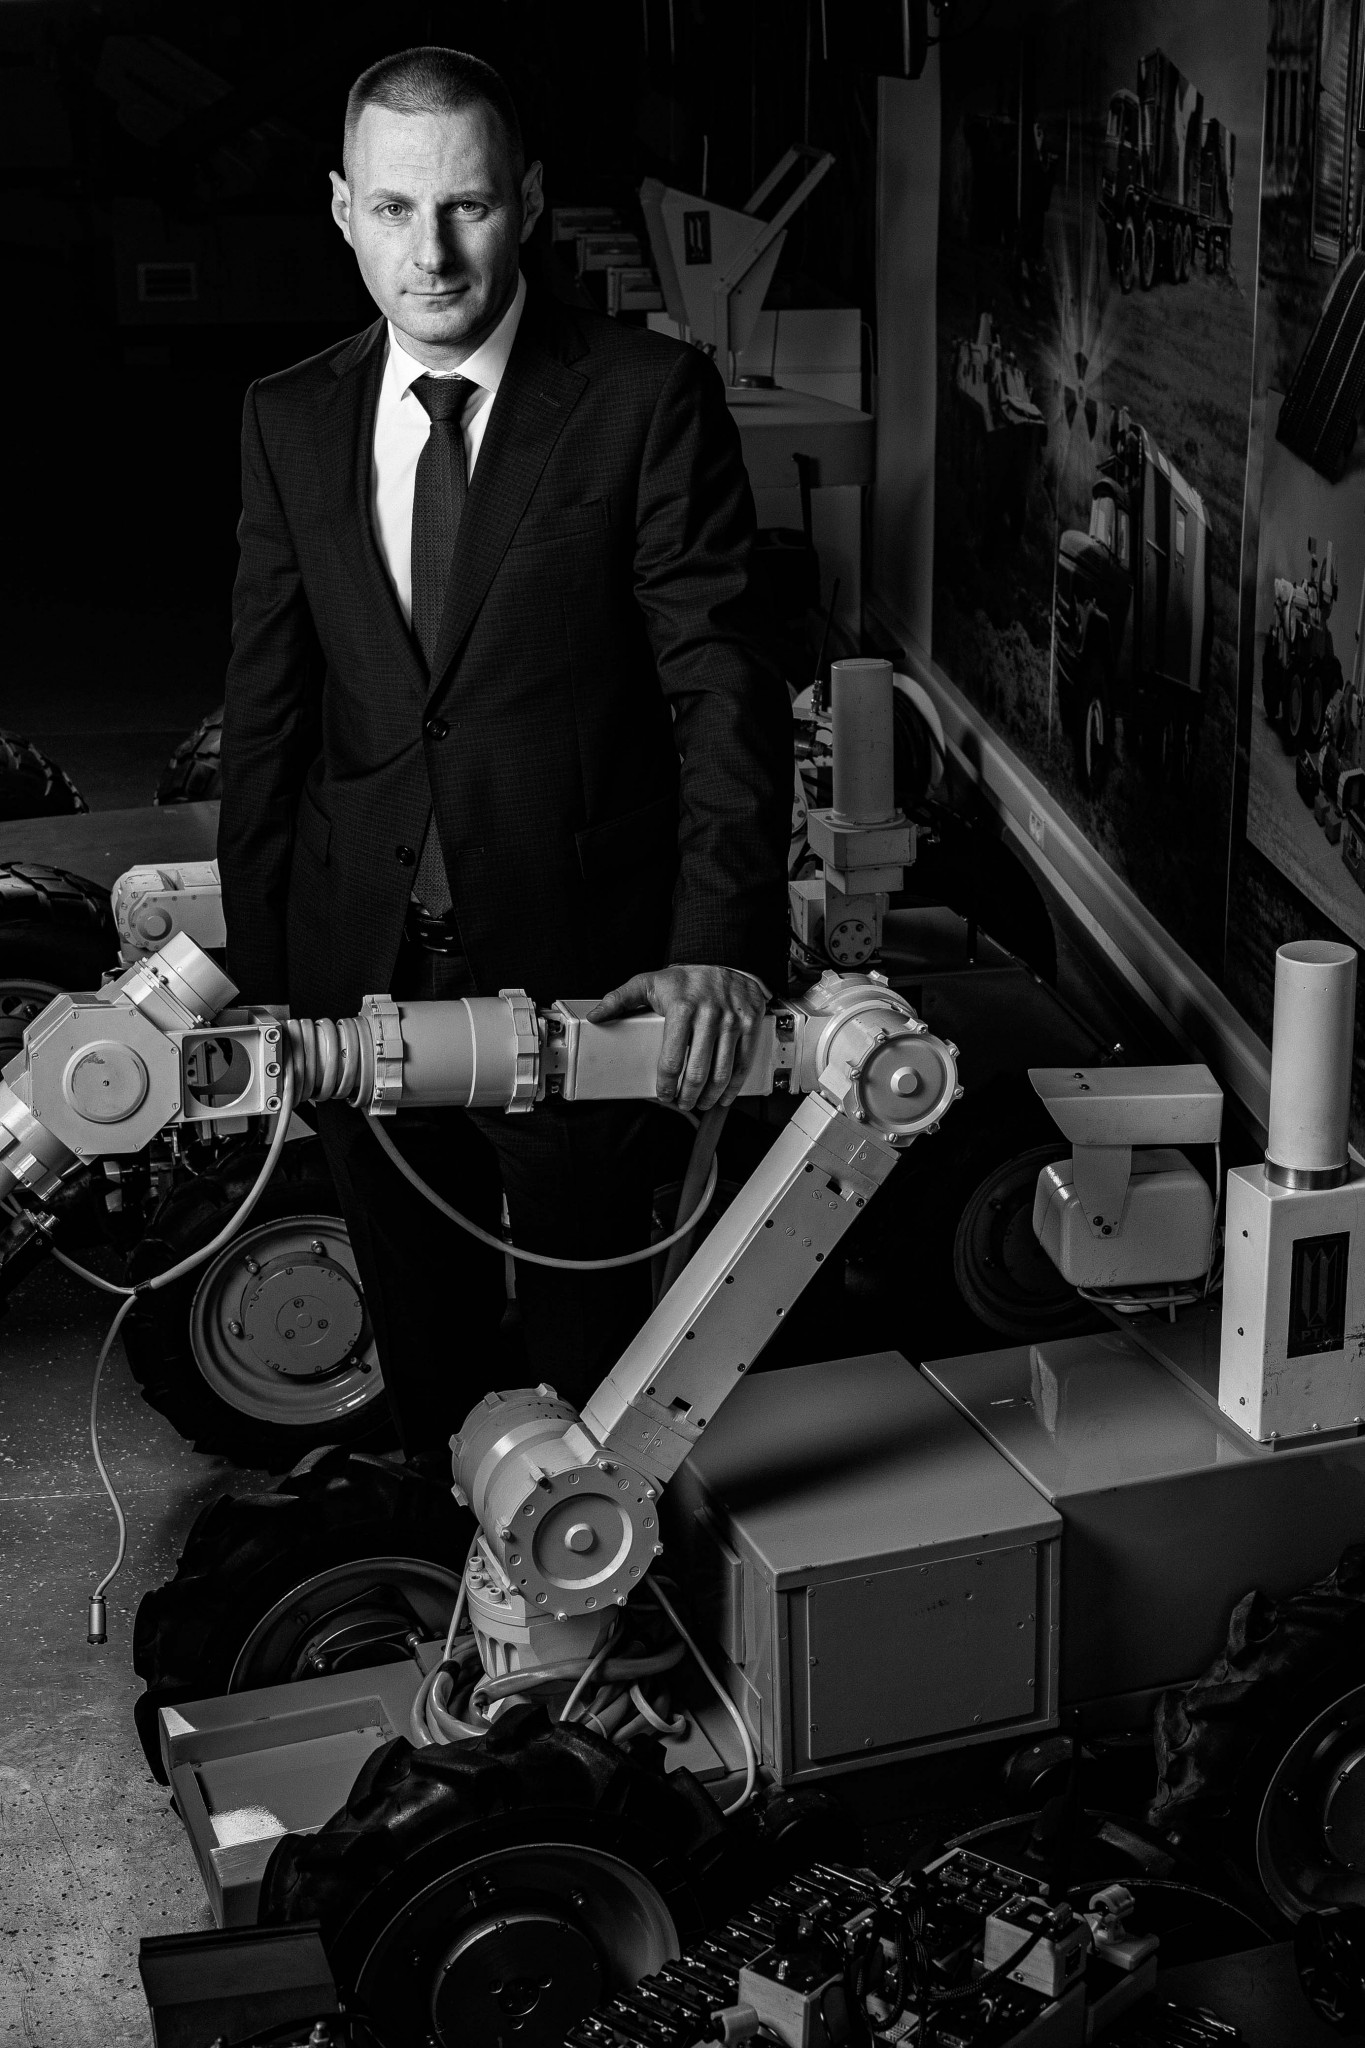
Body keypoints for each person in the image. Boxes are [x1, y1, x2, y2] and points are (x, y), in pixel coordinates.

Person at [217, 46, 792, 1463]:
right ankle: (440, 1560)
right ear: (342, 211)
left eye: (466, 205)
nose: (432, 252)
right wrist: (270, 978)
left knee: (596, 1375)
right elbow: (268, 710)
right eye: (395, 209)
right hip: (360, 965)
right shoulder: (288, 419)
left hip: (584, 968)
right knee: (423, 1343)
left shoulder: (645, 397)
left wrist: (717, 943)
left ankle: (601, 1593)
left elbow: (720, 685)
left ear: (526, 201)